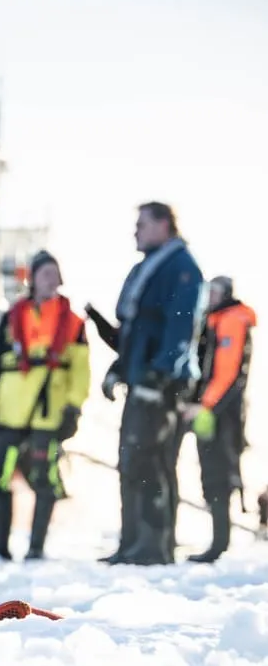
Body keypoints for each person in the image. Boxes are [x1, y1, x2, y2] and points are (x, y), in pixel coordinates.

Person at [86, 203, 203, 565]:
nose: (135, 231)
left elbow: (180, 328)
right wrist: (117, 369)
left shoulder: (182, 268)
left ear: (164, 224)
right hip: (140, 380)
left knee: (151, 462)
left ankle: (154, 547)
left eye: (142, 224)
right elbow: (137, 333)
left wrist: (158, 376)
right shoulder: (149, 267)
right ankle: (132, 542)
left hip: (160, 387)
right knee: (131, 461)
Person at [0, 250, 90, 562]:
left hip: (47, 414)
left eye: (54, 273)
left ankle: (36, 548)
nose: (50, 279)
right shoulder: (12, 315)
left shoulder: (74, 321)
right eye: (44, 273)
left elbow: (80, 369)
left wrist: (73, 408)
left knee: (44, 479)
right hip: (10, 410)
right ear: (33, 278)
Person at [182, 276, 256, 562]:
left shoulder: (231, 321)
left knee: (218, 476)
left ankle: (219, 544)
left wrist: (205, 406)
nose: (209, 297)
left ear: (225, 294)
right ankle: (218, 542)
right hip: (214, 412)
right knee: (213, 475)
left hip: (222, 415)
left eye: (214, 292)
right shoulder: (214, 320)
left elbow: (228, 371)